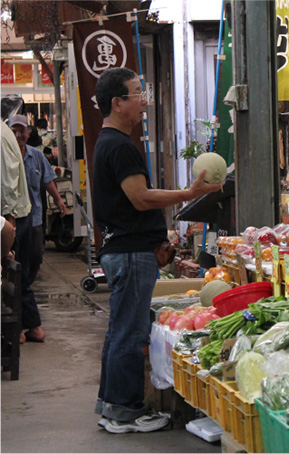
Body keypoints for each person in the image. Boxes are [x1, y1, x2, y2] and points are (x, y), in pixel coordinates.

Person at [92, 68, 221, 434]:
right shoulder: (119, 146)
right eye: (137, 93)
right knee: (131, 334)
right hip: (130, 254)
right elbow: (141, 197)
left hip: (125, 249)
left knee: (120, 331)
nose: (144, 100)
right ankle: (124, 411)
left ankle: (111, 404)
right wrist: (189, 193)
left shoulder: (110, 142)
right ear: (118, 103)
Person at [10, 115, 67, 289]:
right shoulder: (5, 155)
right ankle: (15, 288)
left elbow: (47, 179)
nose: (19, 135)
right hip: (11, 217)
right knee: (12, 255)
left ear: (28, 132)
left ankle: (25, 285)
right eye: (14, 131)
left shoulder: (36, 155)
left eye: (22, 130)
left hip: (34, 217)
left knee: (35, 255)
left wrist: (58, 199)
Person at [2, 119, 36, 344]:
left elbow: (7, 181)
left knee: (12, 274)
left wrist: (9, 221)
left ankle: (21, 330)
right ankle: (32, 326)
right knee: (18, 275)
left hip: (12, 216)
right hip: (15, 214)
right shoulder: (4, 131)